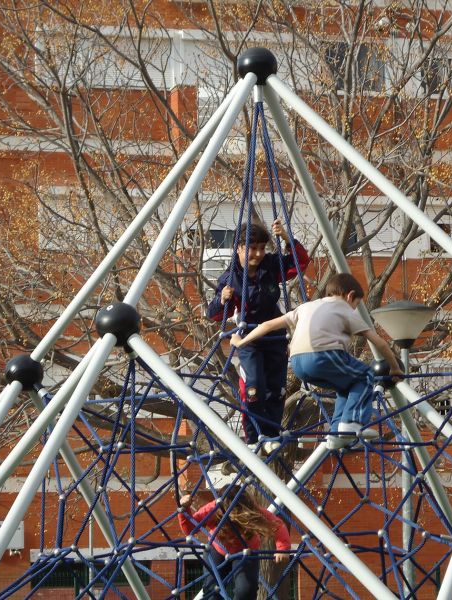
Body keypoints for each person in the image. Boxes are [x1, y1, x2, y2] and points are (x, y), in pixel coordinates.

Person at [231, 273, 404, 450]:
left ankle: (337, 433)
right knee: (365, 375)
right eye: (355, 305)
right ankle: (352, 423)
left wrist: (241, 342)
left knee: (346, 386)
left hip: (298, 363)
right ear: (350, 296)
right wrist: (395, 368)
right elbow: (380, 343)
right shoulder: (344, 309)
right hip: (325, 356)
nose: (353, 308)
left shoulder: (305, 308)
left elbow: (267, 325)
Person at [206, 219, 309, 453]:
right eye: (253, 248)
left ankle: (271, 434)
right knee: (254, 388)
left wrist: (286, 237)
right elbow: (214, 315)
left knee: (276, 388)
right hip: (249, 338)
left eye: (262, 248)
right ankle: (254, 437)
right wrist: (222, 299)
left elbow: (300, 263)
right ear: (239, 248)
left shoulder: (271, 266)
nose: (259, 254)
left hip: (273, 334)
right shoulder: (229, 279)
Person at [178, 485, 290, 600]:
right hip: (217, 550)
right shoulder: (214, 508)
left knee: (246, 589)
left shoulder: (252, 510)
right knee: (212, 591)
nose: (236, 513)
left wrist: (283, 548)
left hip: (246, 552)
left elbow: (277, 524)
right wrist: (184, 509)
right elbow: (191, 529)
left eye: (239, 509)